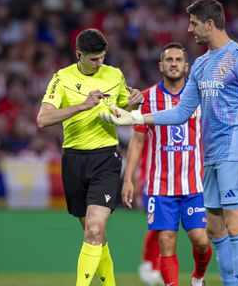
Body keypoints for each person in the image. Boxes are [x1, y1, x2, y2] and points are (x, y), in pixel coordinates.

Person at [101, 0, 238, 286]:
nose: (189, 29)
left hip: (237, 148)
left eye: (194, 23)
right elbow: (182, 111)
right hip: (210, 156)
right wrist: (136, 119)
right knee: (216, 230)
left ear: (210, 24)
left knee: (236, 225)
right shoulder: (202, 65)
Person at [36, 28, 143, 286]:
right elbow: (43, 118)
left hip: (106, 159)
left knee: (94, 229)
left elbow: (122, 108)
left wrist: (134, 102)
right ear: (78, 54)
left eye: (102, 57)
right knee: (94, 234)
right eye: (93, 59)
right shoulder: (62, 79)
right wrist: (83, 105)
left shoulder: (114, 75)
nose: (99, 64)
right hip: (73, 160)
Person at [122, 42, 212, 286]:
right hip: (161, 186)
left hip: (194, 184)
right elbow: (137, 141)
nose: (174, 64)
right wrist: (128, 179)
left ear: (186, 66)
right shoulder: (148, 98)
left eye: (178, 60)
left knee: (201, 240)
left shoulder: (200, 97)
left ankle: (198, 277)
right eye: (169, 60)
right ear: (161, 65)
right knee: (167, 241)